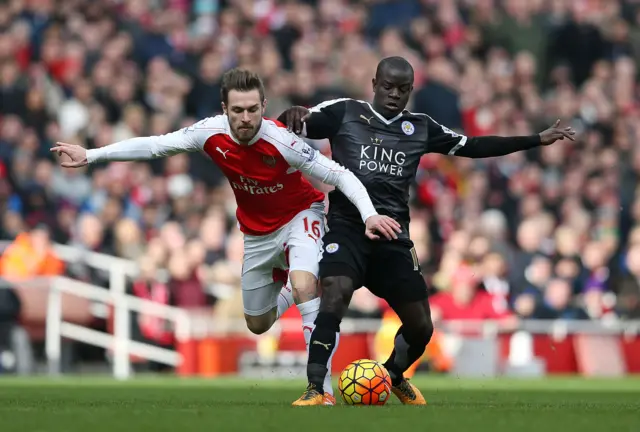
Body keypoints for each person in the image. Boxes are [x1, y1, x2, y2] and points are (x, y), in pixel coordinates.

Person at [51, 68, 401, 404]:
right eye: (237, 110)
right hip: (257, 235)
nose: (245, 118)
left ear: (263, 107)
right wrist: (92, 155)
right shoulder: (210, 133)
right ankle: (291, 290)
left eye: (252, 109)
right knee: (258, 323)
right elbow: (156, 146)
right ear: (225, 110)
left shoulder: (282, 140)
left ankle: (319, 389)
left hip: (301, 215)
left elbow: (339, 175)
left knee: (305, 282)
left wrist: (369, 214)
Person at [279, 56, 576, 406]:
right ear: (374, 83)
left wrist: (535, 140)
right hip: (347, 229)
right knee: (334, 292)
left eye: (402, 89)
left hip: (394, 238)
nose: (394, 95)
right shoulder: (344, 112)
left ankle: (391, 376)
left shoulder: (419, 127)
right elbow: (294, 123)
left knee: (421, 327)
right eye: (388, 87)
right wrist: (292, 114)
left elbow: (473, 146)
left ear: (410, 91)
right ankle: (316, 389)